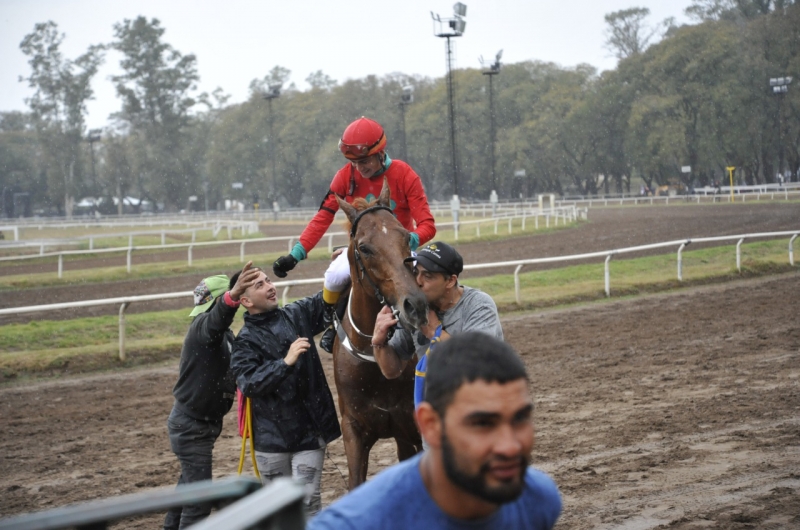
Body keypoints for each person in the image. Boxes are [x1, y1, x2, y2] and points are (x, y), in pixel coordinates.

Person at [309, 332, 562, 529]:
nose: (510, 445)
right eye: (482, 424)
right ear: (429, 425)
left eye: (520, 419)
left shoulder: (538, 500)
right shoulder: (352, 524)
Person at [271, 117, 437, 353]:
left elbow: (428, 225)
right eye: (354, 162)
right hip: (363, 250)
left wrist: (407, 240)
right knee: (333, 276)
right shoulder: (343, 177)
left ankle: (444, 327)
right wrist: (296, 254)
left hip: (400, 250)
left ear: (381, 152)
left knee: (433, 280)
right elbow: (323, 217)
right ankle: (332, 324)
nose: (359, 168)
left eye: (364, 161)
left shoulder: (404, 174)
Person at [230, 269, 341, 516]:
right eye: (260, 285)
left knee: (308, 501)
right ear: (245, 301)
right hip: (271, 442)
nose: (270, 286)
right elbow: (248, 383)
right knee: (279, 510)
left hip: (310, 436)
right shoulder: (244, 341)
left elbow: (328, 300)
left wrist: (339, 269)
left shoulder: (297, 314)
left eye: (268, 280)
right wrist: (285, 363)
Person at [164, 262, 260, 530]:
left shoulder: (224, 335)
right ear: (219, 302)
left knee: (186, 493)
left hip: (199, 425)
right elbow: (217, 318)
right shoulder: (204, 328)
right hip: (191, 428)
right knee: (199, 501)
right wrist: (231, 299)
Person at [371, 241, 504, 409]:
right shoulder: (416, 309)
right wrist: (379, 343)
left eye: (428, 276)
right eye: (415, 272)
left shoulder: (478, 305)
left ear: (450, 281)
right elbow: (391, 370)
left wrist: (434, 331)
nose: (417, 282)